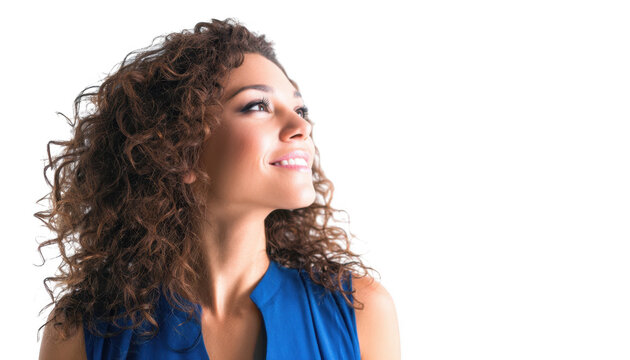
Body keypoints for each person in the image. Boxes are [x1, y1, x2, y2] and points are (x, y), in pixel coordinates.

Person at [36, 18, 400, 359]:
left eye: (300, 109)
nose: (300, 127)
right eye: (258, 105)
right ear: (181, 150)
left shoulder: (360, 313)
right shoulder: (82, 333)